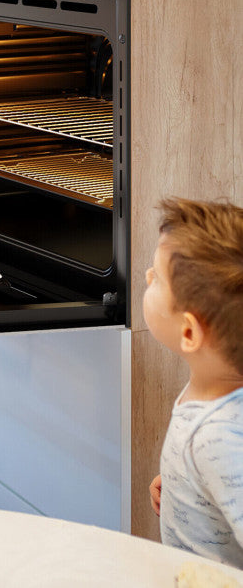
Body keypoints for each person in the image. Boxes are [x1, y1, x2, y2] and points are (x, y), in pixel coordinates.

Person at [146, 197, 243, 568]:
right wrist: (189, 483)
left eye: (156, 278)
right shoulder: (215, 390)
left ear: (189, 332)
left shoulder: (216, 437)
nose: (146, 278)